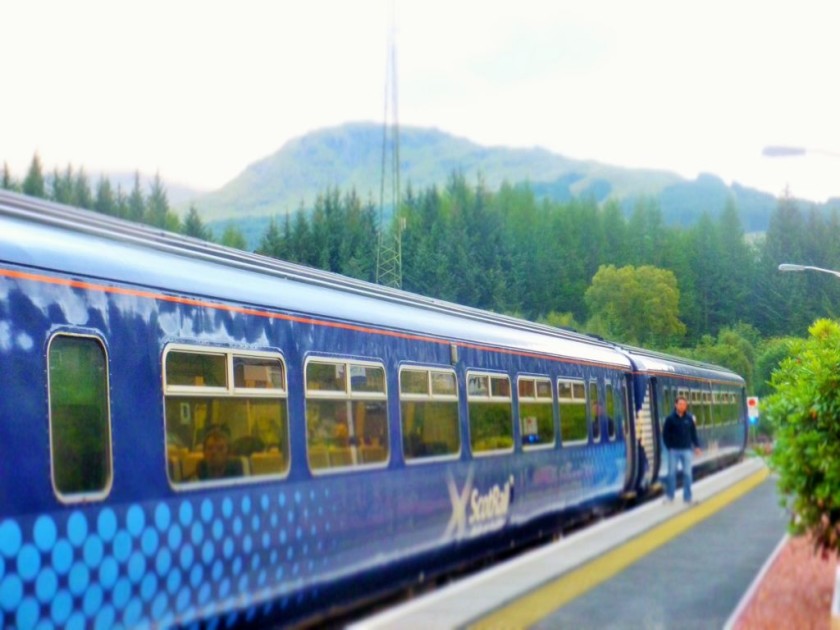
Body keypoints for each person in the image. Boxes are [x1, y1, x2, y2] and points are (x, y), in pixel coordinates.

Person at [662, 396, 702, 504]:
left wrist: (697, 446)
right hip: (674, 451)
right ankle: (670, 496)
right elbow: (665, 435)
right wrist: (669, 447)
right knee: (671, 474)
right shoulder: (670, 419)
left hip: (687, 450)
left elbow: (693, 433)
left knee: (687, 474)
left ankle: (687, 497)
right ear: (676, 405)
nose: (682, 406)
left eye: (684, 404)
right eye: (680, 404)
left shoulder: (689, 418)